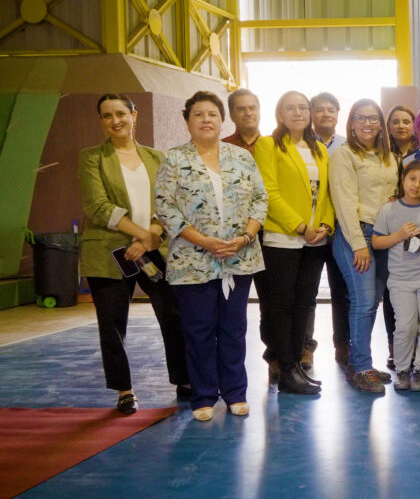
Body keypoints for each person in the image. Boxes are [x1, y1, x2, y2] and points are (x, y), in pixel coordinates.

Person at [154, 91, 267, 421]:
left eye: (212, 114)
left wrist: (246, 236)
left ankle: (235, 392)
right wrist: (204, 240)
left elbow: (260, 200)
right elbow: (166, 207)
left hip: (239, 257)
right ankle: (203, 395)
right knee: (199, 329)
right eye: (198, 114)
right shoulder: (173, 160)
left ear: (222, 120)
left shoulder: (241, 158)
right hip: (193, 260)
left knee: (233, 328)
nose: (206, 120)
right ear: (187, 120)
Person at [79, 93, 189, 413]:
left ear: (134, 115)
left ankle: (184, 380)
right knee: (112, 323)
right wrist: (141, 235)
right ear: (101, 120)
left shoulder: (158, 158)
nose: (115, 121)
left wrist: (151, 237)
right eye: (107, 115)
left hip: (155, 248)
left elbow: (169, 203)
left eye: (120, 113)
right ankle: (124, 390)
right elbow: (97, 207)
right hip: (109, 251)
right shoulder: (91, 158)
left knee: (174, 315)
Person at [253, 90, 334, 395]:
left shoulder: (319, 149)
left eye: (303, 107)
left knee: (304, 305)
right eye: (291, 108)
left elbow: (325, 194)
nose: (298, 112)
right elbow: (268, 192)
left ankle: (298, 365)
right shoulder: (268, 145)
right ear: (280, 114)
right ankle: (285, 368)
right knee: (282, 305)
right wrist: (299, 226)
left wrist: (324, 224)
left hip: (315, 240)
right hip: (282, 238)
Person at [329, 98, 399, 393]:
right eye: (361, 118)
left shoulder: (388, 157)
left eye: (373, 118)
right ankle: (360, 367)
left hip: (383, 235)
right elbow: (344, 202)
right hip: (355, 234)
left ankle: (364, 363)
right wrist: (358, 244)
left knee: (372, 302)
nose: (367, 123)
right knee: (362, 300)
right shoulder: (344, 156)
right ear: (352, 123)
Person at [372, 161, 420, 392]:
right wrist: (399, 235)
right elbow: (377, 242)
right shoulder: (389, 210)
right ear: (402, 179)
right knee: (405, 326)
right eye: (412, 179)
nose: (416, 185)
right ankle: (402, 369)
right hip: (400, 280)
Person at [300, 92, 344, 369]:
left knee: (343, 292)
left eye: (331, 109)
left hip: (340, 230)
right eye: (320, 110)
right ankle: (306, 348)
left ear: (338, 114)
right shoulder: (299, 145)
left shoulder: (348, 146)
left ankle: (344, 345)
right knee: (307, 293)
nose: (326, 114)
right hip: (310, 231)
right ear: (311, 114)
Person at [222, 88, 263, 154]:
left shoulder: (275, 146)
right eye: (241, 109)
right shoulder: (221, 148)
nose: (248, 113)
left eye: (252, 108)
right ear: (231, 115)